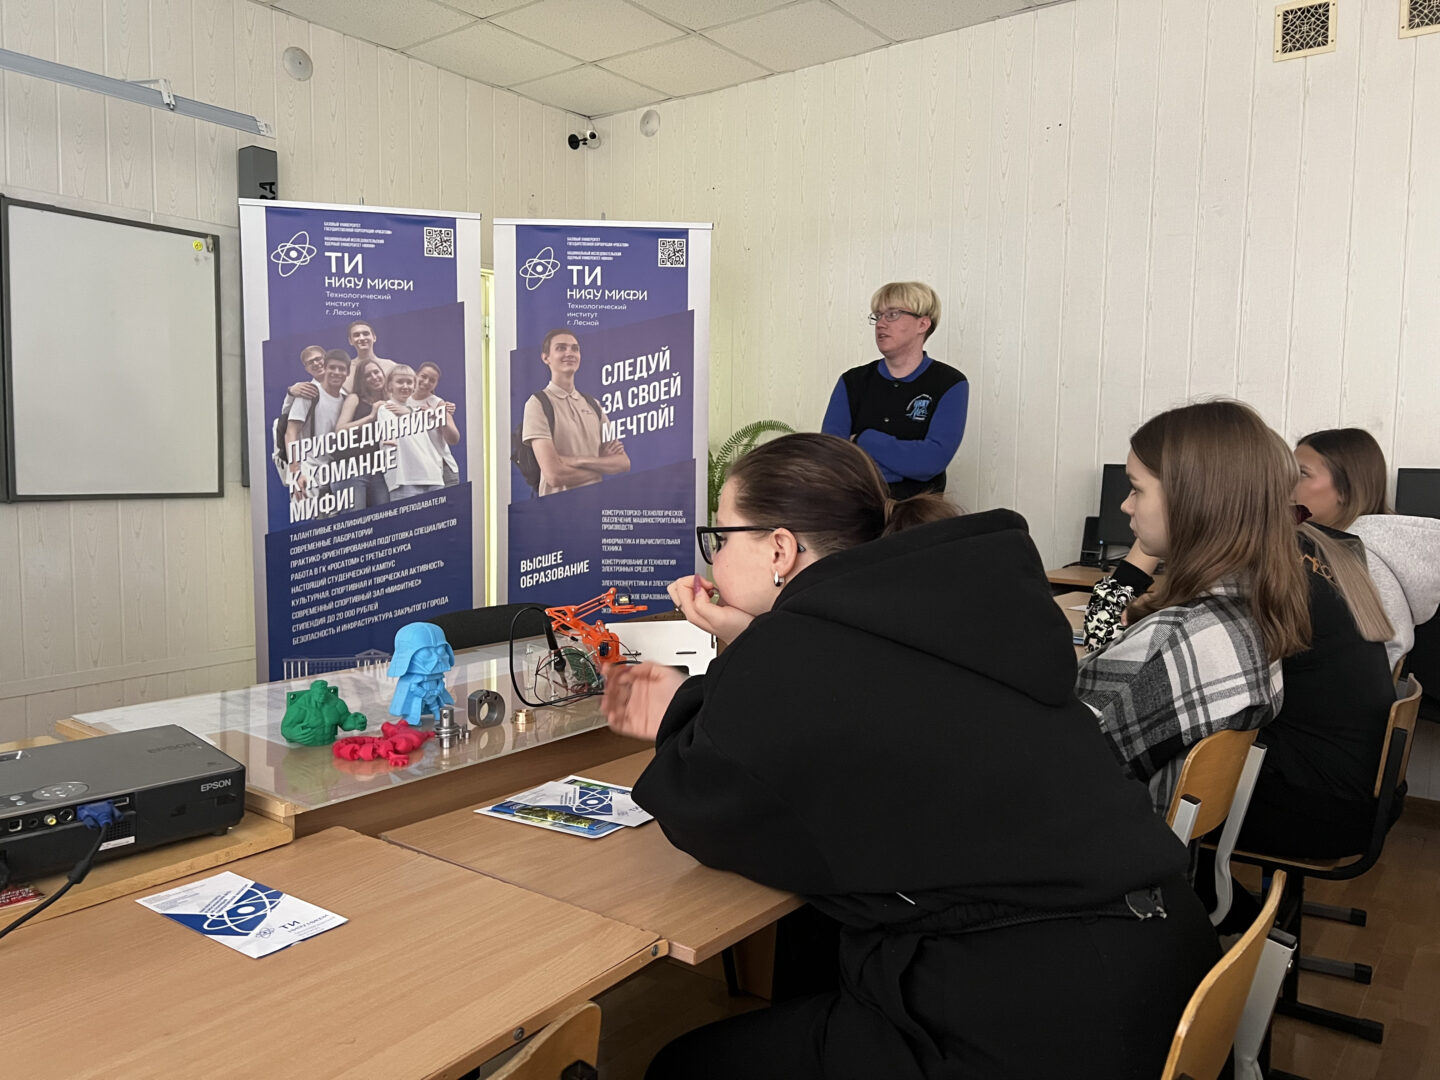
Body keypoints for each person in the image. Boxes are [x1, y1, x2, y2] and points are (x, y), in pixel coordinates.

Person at [605, 432, 1219, 1080]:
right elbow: (841, 694)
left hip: (1039, 1020)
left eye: (721, 538)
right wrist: (755, 638)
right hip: (1158, 960)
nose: (713, 558)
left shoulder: (802, 655)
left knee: (681, 1066)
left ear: (780, 548)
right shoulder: (941, 608)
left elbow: (706, 806)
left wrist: (673, 710)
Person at [1075, 401, 1307, 814]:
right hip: (1161, 838)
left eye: (1137, 489)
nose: (1126, 506)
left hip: (1103, 837)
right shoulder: (1250, 609)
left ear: (1192, 500)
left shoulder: (1173, 637)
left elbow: (1063, 761)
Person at [1294, 428, 1440, 670]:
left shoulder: (1361, 560)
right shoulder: (1338, 548)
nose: (1285, 484)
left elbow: (1376, 657)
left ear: (1345, 489)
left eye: (1301, 473)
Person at [820, 282, 968, 498]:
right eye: (878, 316)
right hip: (856, 506)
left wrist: (863, 439)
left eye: (892, 315)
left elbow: (930, 462)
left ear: (923, 324)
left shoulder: (950, 383)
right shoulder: (852, 381)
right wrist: (906, 470)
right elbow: (832, 458)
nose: (881, 324)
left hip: (919, 510)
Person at [521, 329, 630, 496]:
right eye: (561, 348)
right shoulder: (538, 404)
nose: (570, 353)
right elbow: (555, 476)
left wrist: (577, 460)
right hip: (557, 509)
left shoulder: (594, 405)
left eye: (575, 348)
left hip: (594, 505)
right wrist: (601, 466)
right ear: (546, 358)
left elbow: (623, 463)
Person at [284, 349, 352, 501]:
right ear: (325, 368)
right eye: (332, 368)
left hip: (334, 472)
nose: (336, 372)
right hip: (307, 469)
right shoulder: (309, 393)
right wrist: (296, 471)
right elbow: (291, 433)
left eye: (341, 369)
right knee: (306, 515)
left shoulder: (346, 398)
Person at [376, 364, 448, 500]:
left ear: (414, 385)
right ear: (390, 385)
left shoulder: (419, 410)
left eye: (409, 382)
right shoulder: (386, 408)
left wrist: (414, 412)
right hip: (405, 479)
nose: (405, 386)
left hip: (433, 477)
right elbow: (392, 435)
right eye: (400, 381)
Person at [332, 356, 392, 510]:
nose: (374, 377)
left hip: (378, 469)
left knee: (384, 516)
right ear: (362, 380)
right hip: (350, 467)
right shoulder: (355, 398)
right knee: (354, 518)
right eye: (368, 375)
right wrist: (371, 417)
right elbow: (340, 429)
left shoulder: (390, 402)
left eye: (376, 372)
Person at [415, 361, 461, 486]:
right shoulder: (402, 399)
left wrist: (437, 416)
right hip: (416, 471)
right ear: (416, 375)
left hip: (442, 469)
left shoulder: (438, 403)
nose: (426, 382)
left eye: (432, 380)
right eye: (423, 376)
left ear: (436, 384)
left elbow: (454, 439)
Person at [341, 319, 395, 392]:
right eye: (356, 335)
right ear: (350, 341)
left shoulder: (391, 367)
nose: (362, 338)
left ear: (374, 337)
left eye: (366, 334)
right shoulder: (345, 370)